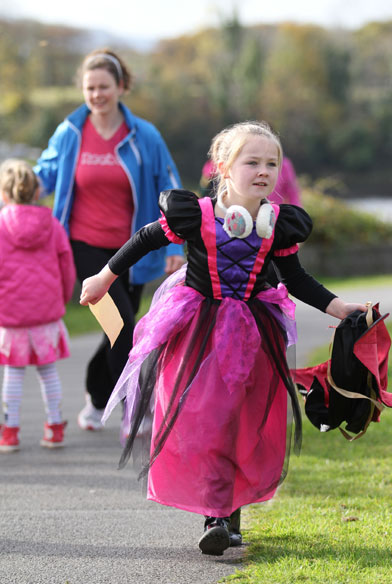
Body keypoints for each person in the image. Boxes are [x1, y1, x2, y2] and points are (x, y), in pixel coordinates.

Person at [79, 121, 367, 556]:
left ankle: (229, 514)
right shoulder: (195, 214)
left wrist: (338, 306)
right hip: (199, 331)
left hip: (254, 333)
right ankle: (215, 515)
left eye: (271, 163)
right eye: (252, 161)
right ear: (224, 168)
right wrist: (103, 278)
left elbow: (296, 278)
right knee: (207, 419)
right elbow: (145, 240)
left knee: (240, 422)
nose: (264, 170)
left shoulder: (278, 225)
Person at [34, 48, 185, 432]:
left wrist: (173, 245)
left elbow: (170, 189)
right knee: (121, 326)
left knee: (121, 327)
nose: (97, 94)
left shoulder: (144, 136)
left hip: (132, 250)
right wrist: (16, 188)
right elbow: (45, 175)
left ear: (120, 87)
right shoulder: (70, 132)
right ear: (82, 90)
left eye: (104, 86)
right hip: (82, 246)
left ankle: (96, 398)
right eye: (90, 88)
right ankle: (137, 407)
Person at [0, 159, 76, 452]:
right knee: (47, 372)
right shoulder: (52, 224)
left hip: (10, 314)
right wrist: (64, 295)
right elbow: (66, 265)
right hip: (45, 312)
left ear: (5, 195)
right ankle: (54, 428)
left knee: (13, 373)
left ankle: (10, 432)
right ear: (36, 192)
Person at [199, 155, 302, 205]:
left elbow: (292, 192)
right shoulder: (218, 164)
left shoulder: (285, 165)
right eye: (252, 163)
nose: (263, 172)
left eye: (271, 164)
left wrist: (297, 221)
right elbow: (204, 186)